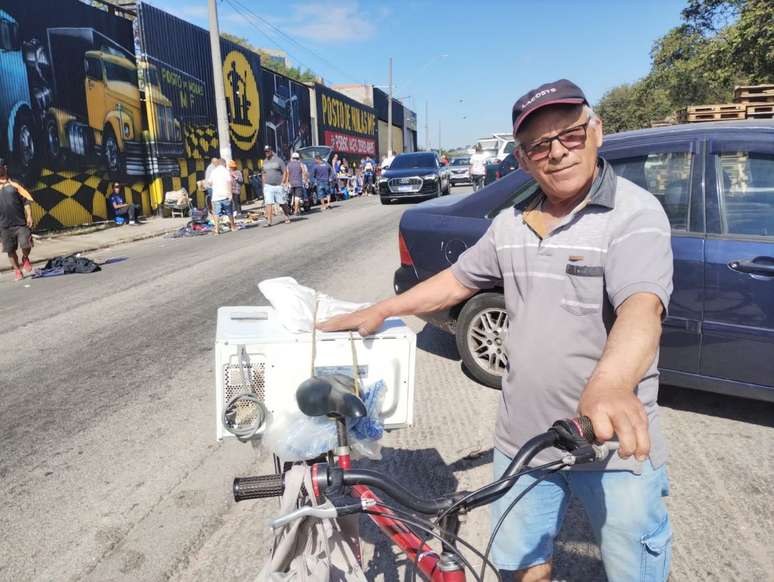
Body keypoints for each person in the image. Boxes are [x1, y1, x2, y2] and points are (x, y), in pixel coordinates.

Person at [319, 79, 674, 582]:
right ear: (525, 160)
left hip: (612, 443)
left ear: (595, 131)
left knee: (634, 571)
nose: (557, 152)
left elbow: (643, 308)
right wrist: (385, 307)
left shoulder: (634, 215)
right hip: (523, 438)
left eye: (569, 135)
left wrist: (613, 383)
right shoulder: (513, 221)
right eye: (538, 145)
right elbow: (458, 280)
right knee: (521, 565)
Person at [0, 158, 34, 281]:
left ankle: (25, 258)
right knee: (10, 250)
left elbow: (26, 201)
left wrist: (29, 215)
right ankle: (17, 270)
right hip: (4, 226)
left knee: (27, 243)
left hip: (20, 223)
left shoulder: (16, 183)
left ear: (5, 167)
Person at [261, 145, 290, 226]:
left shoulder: (279, 160)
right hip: (268, 186)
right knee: (268, 203)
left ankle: (287, 216)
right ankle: (269, 221)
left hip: (278, 185)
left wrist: (283, 182)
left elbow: (285, 171)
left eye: (268, 151)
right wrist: (263, 186)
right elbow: (263, 174)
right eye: (265, 151)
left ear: (271, 151)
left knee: (282, 203)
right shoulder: (264, 162)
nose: (266, 153)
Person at [209, 158, 235, 234]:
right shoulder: (226, 171)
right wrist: (230, 193)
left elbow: (210, 183)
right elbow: (229, 182)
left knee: (216, 214)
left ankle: (217, 230)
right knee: (229, 212)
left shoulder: (213, 172)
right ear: (224, 164)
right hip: (225, 194)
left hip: (216, 196)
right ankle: (233, 226)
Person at [283, 151, 308, 216]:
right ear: (298, 158)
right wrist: (305, 180)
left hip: (291, 183)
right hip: (298, 183)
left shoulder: (288, 164)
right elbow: (304, 172)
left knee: (293, 196)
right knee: (297, 197)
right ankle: (296, 210)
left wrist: (286, 182)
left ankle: (296, 209)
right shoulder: (300, 164)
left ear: (292, 158)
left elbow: (287, 174)